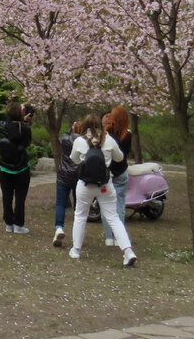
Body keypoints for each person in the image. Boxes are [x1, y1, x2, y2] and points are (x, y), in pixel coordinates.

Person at [68, 113, 137, 267]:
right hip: (105, 185)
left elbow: (73, 159)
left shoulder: (79, 141)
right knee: (113, 218)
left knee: (80, 216)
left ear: (84, 127)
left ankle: (76, 249)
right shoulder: (109, 140)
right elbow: (120, 158)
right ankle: (128, 251)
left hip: (85, 185)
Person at [0, 99, 32, 233]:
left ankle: (8, 224)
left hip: (5, 167)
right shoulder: (24, 128)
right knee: (20, 197)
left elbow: (10, 128)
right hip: (21, 167)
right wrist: (25, 122)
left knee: (6, 196)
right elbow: (27, 142)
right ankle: (18, 225)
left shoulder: (2, 126)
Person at [102, 106, 132, 248]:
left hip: (107, 172)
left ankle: (109, 237)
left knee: (106, 204)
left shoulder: (106, 133)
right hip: (121, 172)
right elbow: (124, 155)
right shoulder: (127, 134)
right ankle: (119, 237)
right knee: (119, 204)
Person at [52, 121, 79, 248]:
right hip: (78, 176)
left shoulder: (65, 139)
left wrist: (71, 129)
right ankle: (77, 233)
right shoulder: (84, 142)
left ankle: (59, 228)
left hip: (64, 175)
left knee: (60, 204)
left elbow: (63, 136)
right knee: (78, 207)